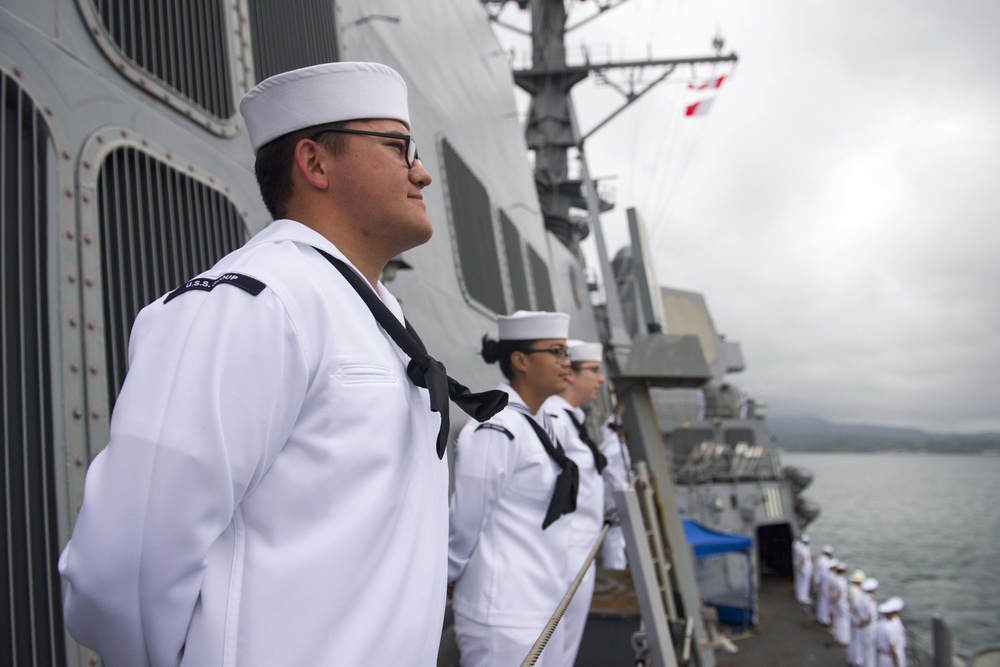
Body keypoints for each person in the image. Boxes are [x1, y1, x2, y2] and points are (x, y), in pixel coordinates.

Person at [58, 61, 504, 667]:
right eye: (400, 148)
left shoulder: (365, 312)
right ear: (315, 163)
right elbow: (124, 562)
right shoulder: (253, 304)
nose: (420, 171)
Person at [450, 310, 589, 667]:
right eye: (556, 352)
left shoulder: (538, 424)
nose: (567, 363)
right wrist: (444, 583)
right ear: (520, 360)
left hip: (542, 605)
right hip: (503, 615)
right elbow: (463, 526)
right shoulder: (497, 429)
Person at [541, 339, 612, 663]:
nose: (600, 380)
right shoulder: (554, 419)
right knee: (553, 650)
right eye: (594, 371)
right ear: (570, 374)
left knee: (564, 651)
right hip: (564, 555)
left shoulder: (573, 420)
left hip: (581, 553)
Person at [598, 412, 633, 569]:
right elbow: (605, 462)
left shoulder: (616, 443)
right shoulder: (615, 445)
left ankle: (618, 566)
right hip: (615, 497)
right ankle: (615, 568)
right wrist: (621, 486)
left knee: (619, 536)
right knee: (615, 535)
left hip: (615, 495)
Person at [875, 597, 907, 667]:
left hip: (881, 657)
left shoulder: (879, 624)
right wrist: (896, 663)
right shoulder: (892, 627)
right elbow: (892, 647)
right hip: (892, 657)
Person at [847, 568, 867, 665]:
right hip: (857, 616)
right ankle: (857, 660)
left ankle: (851, 658)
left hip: (852, 615)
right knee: (858, 640)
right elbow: (857, 606)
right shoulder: (857, 592)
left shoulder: (851, 589)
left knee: (853, 638)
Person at [859, 578, 880, 667]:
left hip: (864, 628)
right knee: (870, 652)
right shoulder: (870, 600)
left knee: (865, 650)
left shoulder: (862, 598)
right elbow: (870, 616)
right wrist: (862, 623)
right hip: (870, 628)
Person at [829, 561, 851, 645]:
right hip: (841, 602)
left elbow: (830, 588)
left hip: (835, 602)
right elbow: (841, 592)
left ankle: (837, 636)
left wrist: (832, 598)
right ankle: (844, 638)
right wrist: (836, 598)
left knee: (837, 618)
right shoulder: (842, 580)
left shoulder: (834, 578)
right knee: (844, 619)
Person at [814, 545, 835, 625]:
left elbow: (818, 572)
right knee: (826, 602)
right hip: (826, 584)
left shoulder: (820, 560)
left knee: (821, 601)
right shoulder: (828, 562)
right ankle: (824, 618)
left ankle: (820, 616)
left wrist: (817, 581)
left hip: (822, 583)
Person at [793, 533, 814, 604]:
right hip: (805, 568)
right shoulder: (805, 549)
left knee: (800, 582)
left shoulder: (799, 546)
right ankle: (803, 597)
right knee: (805, 583)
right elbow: (803, 559)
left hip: (801, 567)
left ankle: (799, 595)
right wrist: (800, 566)